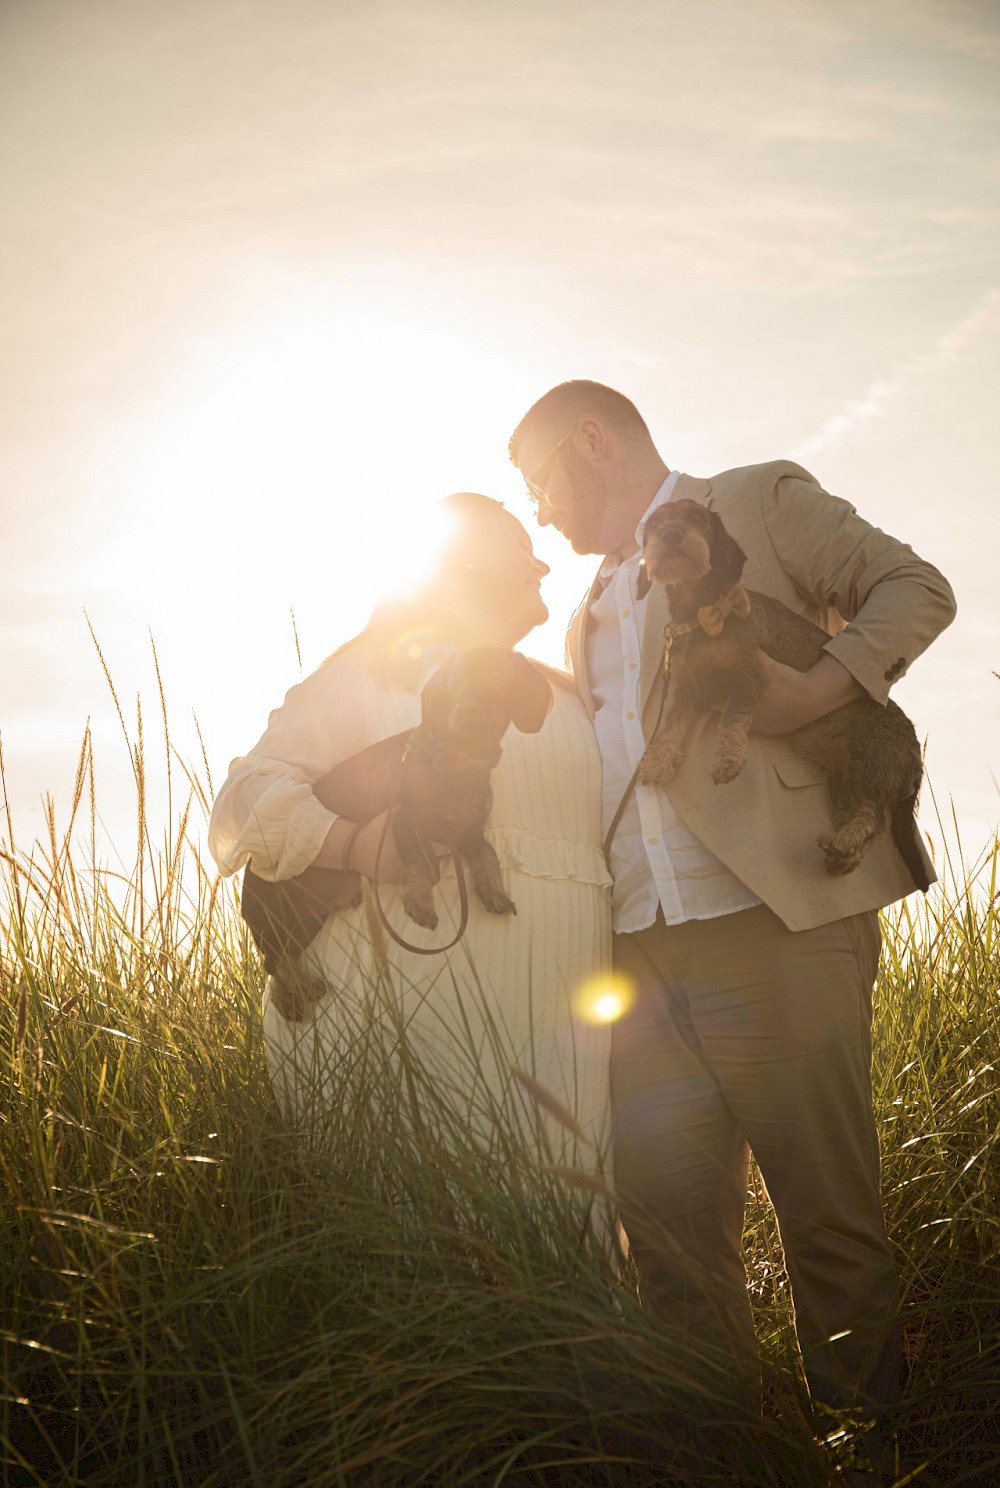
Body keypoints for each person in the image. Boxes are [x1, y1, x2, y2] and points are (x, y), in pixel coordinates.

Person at [507, 381, 956, 1428]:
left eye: (538, 483)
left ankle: (861, 1463)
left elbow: (913, 585)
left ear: (591, 440)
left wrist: (822, 684)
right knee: (665, 1237)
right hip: (635, 956)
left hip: (777, 926)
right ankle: (724, 1466)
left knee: (829, 1223)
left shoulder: (754, 501)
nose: (537, 511)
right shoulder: (579, 616)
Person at [208, 492, 613, 1201]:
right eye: (519, 544)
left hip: (563, 1024)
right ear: (459, 561)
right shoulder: (371, 673)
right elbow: (245, 803)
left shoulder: (568, 693)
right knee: (431, 1217)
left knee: (566, 1221)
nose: (542, 560)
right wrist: (360, 845)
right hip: (411, 1004)